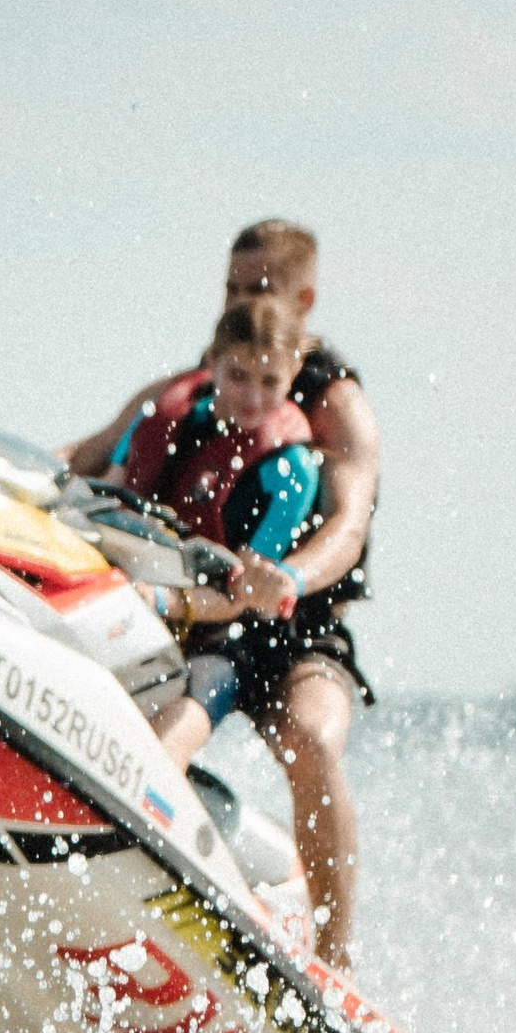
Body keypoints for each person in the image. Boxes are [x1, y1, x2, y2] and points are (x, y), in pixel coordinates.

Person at [68, 219, 378, 961]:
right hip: (198, 622)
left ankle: (334, 963)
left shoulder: (334, 409)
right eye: (233, 289)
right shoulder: (198, 390)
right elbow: (80, 461)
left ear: (304, 300)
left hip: (296, 622)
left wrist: (292, 575)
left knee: (310, 740)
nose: (242, 302)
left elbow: (349, 522)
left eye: (260, 289)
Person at [107, 300, 318, 775]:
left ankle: (155, 783)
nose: (252, 396)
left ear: (293, 375)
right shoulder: (162, 420)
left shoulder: (291, 474)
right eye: (238, 374)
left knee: (177, 728)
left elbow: (241, 596)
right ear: (213, 361)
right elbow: (109, 497)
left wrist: (161, 601)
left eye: (271, 382)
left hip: (224, 635)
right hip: (124, 598)